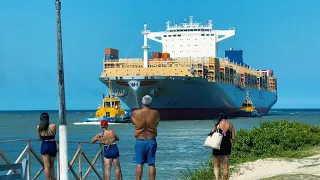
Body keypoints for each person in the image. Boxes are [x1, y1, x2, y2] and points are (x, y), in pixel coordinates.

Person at [131, 95, 160, 180]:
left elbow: (134, 123)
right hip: (151, 140)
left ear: (142, 103)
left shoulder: (135, 113)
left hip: (140, 140)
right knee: (151, 164)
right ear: (151, 103)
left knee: (139, 164)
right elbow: (156, 124)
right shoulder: (156, 113)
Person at [211, 113, 236, 180]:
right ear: (226, 118)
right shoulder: (230, 125)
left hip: (217, 145)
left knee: (216, 165)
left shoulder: (216, 125)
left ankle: (217, 179)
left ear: (219, 118)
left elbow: (212, 135)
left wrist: (213, 128)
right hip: (227, 145)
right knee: (225, 165)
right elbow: (233, 138)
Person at [37, 112, 57, 180]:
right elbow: (54, 135)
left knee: (46, 166)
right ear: (48, 118)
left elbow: (39, 138)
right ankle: (53, 179)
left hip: (44, 145)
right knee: (52, 166)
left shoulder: (39, 127)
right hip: (52, 145)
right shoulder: (53, 126)